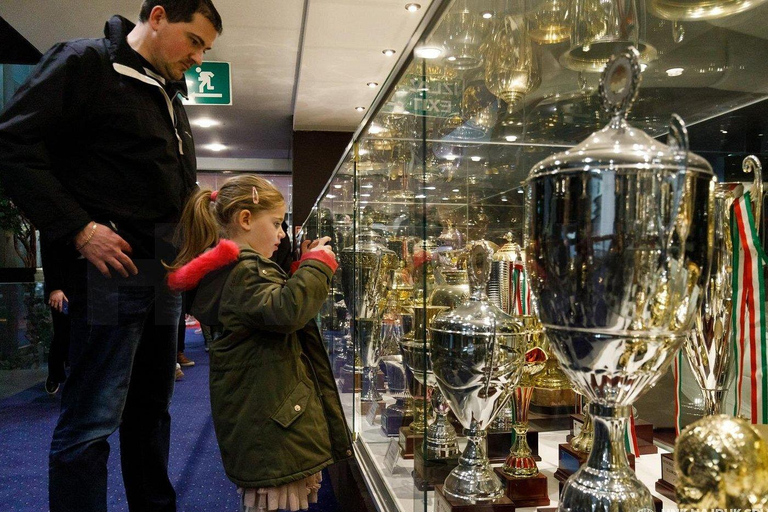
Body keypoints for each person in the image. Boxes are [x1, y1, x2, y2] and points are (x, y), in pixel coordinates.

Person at [0, 2, 222, 511]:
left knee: (152, 410)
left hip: (162, 271)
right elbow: (11, 146)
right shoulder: (84, 63)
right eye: (194, 41)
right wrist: (79, 229)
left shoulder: (168, 92)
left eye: (206, 49)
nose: (198, 57)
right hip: (112, 272)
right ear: (158, 17)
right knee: (92, 419)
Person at [166, 175, 353, 512]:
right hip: (273, 417)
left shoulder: (236, 270)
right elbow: (286, 311)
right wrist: (316, 267)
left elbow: (266, 310)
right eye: (277, 223)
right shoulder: (246, 271)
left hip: (262, 408)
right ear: (246, 219)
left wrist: (300, 270)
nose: (282, 235)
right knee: (278, 500)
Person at [39, 231, 75, 395]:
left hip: (92, 285)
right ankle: (55, 374)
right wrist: (55, 287)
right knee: (63, 331)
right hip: (63, 289)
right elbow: (48, 253)